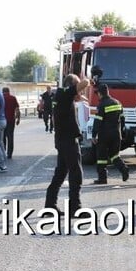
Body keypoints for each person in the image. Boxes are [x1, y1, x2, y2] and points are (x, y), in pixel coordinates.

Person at [43, 74, 91, 218]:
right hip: (68, 140)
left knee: (60, 173)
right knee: (76, 173)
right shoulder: (64, 92)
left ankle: (50, 205)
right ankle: (75, 208)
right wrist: (89, 79)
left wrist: (77, 95)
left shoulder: (61, 95)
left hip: (62, 140)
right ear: (71, 85)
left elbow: (79, 97)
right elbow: (84, 83)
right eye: (75, 87)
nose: (79, 91)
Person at [91, 84, 129, 184]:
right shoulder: (117, 102)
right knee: (114, 155)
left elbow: (98, 121)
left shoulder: (102, 105)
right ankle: (123, 169)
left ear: (100, 93)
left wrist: (94, 135)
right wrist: (123, 132)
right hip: (116, 134)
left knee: (101, 157)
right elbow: (123, 119)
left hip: (104, 135)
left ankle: (102, 178)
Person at [2, 87, 20, 159]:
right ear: (9, 91)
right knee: (10, 137)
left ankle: (3, 152)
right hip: (11, 121)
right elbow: (17, 109)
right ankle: (9, 154)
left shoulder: (1, 98)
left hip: (2, 120)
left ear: (3, 91)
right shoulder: (13, 98)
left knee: (2, 137)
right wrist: (18, 119)